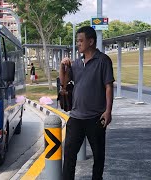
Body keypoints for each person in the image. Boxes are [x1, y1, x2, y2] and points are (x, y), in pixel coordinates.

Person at [59, 26, 114, 180]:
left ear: (91, 41)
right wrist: (62, 66)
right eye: (77, 41)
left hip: (96, 118)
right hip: (76, 118)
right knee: (69, 155)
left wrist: (108, 111)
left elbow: (108, 86)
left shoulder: (103, 60)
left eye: (81, 40)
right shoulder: (76, 63)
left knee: (98, 156)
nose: (78, 43)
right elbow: (63, 84)